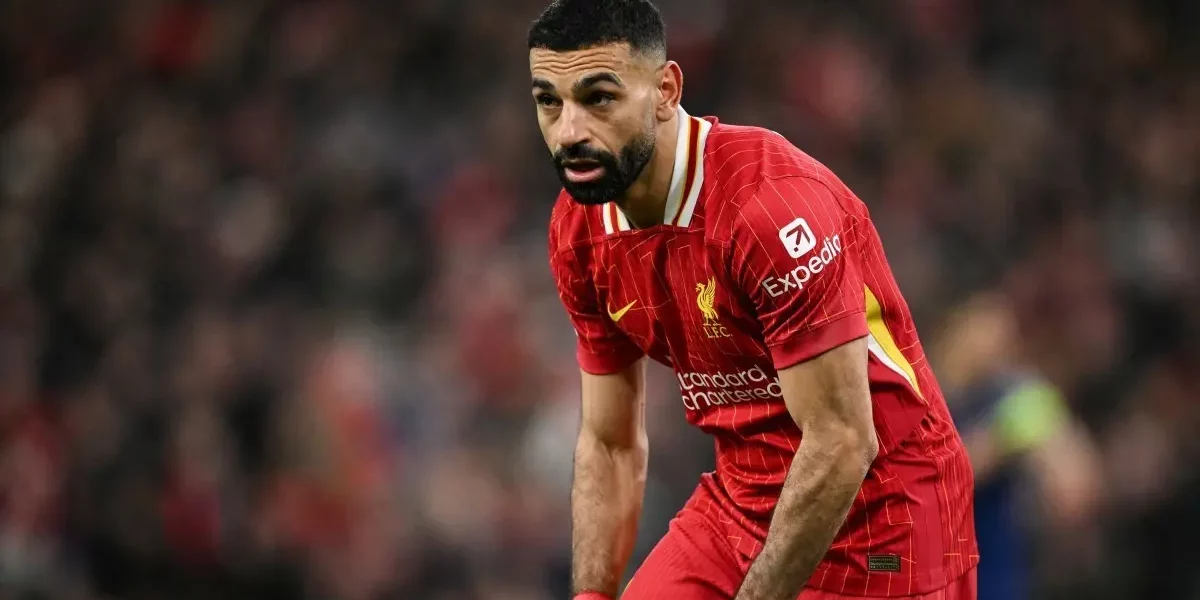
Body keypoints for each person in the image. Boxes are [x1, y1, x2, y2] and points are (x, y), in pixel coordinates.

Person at [529, 1, 977, 599]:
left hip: (885, 513)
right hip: (741, 503)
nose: (569, 132)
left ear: (665, 91)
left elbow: (843, 441)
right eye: (549, 102)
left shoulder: (770, 207)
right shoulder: (579, 230)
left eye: (599, 98)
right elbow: (610, 444)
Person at [932, 293, 1100, 600]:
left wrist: (1021, 433)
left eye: (1000, 341)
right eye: (975, 333)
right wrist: (997, 441)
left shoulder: (1015, 398)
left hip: (991, 577)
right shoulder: (911, 392)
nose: (985, 348)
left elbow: (1076, 488)